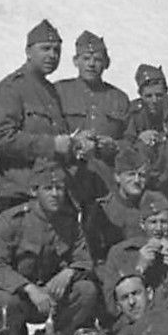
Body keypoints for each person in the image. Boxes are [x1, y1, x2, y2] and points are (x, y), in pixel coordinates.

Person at [0, 160, 101, 335]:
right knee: (5, 302)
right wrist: (29, 288)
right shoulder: (12, 221)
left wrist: (69, 272)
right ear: (34, 191)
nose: (55, 194)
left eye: (60, 188)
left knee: (86, 290)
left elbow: (84, 260)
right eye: (48, 188)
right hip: (18, 296)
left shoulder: (69, 223)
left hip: (51, 297)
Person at [0, 19, 71, 214]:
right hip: (19, 192)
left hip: (48, 190)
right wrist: (52, 145)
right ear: (28, 52)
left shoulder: (50, 91)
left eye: (57, 50)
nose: (52, 55)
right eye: (45, 48)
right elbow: (0, 139)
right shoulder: (11, 88)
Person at [54, 31, 131, 206]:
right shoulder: (59, 92)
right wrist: (75, 142)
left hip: (106, 182)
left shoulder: (118, 98)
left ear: (106, 63)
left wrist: (114, 146)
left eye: (97, 59)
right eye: (86, 58)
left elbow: (131, 139)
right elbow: (48, 132)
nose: (91, 64)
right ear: (75, 61)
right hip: (67, 177)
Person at [125, 63, 168, 145]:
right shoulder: (134, 112)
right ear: (140, 95)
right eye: (148, 96)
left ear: (166, 92)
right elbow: (126, 141)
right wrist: (139, 138)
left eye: (159, 95)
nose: (154, 100)